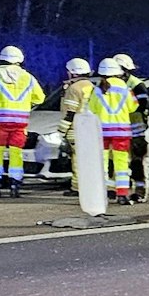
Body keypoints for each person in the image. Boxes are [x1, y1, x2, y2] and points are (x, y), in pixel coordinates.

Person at [0, 45, 44, 198]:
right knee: (16, 153)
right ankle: (15, 184)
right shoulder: (28, 77)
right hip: (20, 123)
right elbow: (40, 97)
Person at [87, 58, 138, 206]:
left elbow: (91, 109)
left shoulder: (97, 89)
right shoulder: (125, 88)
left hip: (102, 132)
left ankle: (103, 192)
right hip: (121, 132)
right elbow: (133, 107)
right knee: (121, 164)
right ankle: (122, 194)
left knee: (102, 163)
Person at [113, 53, 149, 202]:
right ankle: (120, 190)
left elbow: (143, 105)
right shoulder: (113, 84)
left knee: (137, 162)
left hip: (135, 131)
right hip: (119, 130)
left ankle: (140, 192)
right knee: (119, 162)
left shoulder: (136, 85)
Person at [58, 57, 95, 199]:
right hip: (90, 128)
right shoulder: (91, 86)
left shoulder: (73, 89)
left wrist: (61, 131)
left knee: (77, 160)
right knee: (88, 160)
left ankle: (77, 188)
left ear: (73, 72)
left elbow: (70, 113)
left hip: (76, 130)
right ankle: (89, 185)